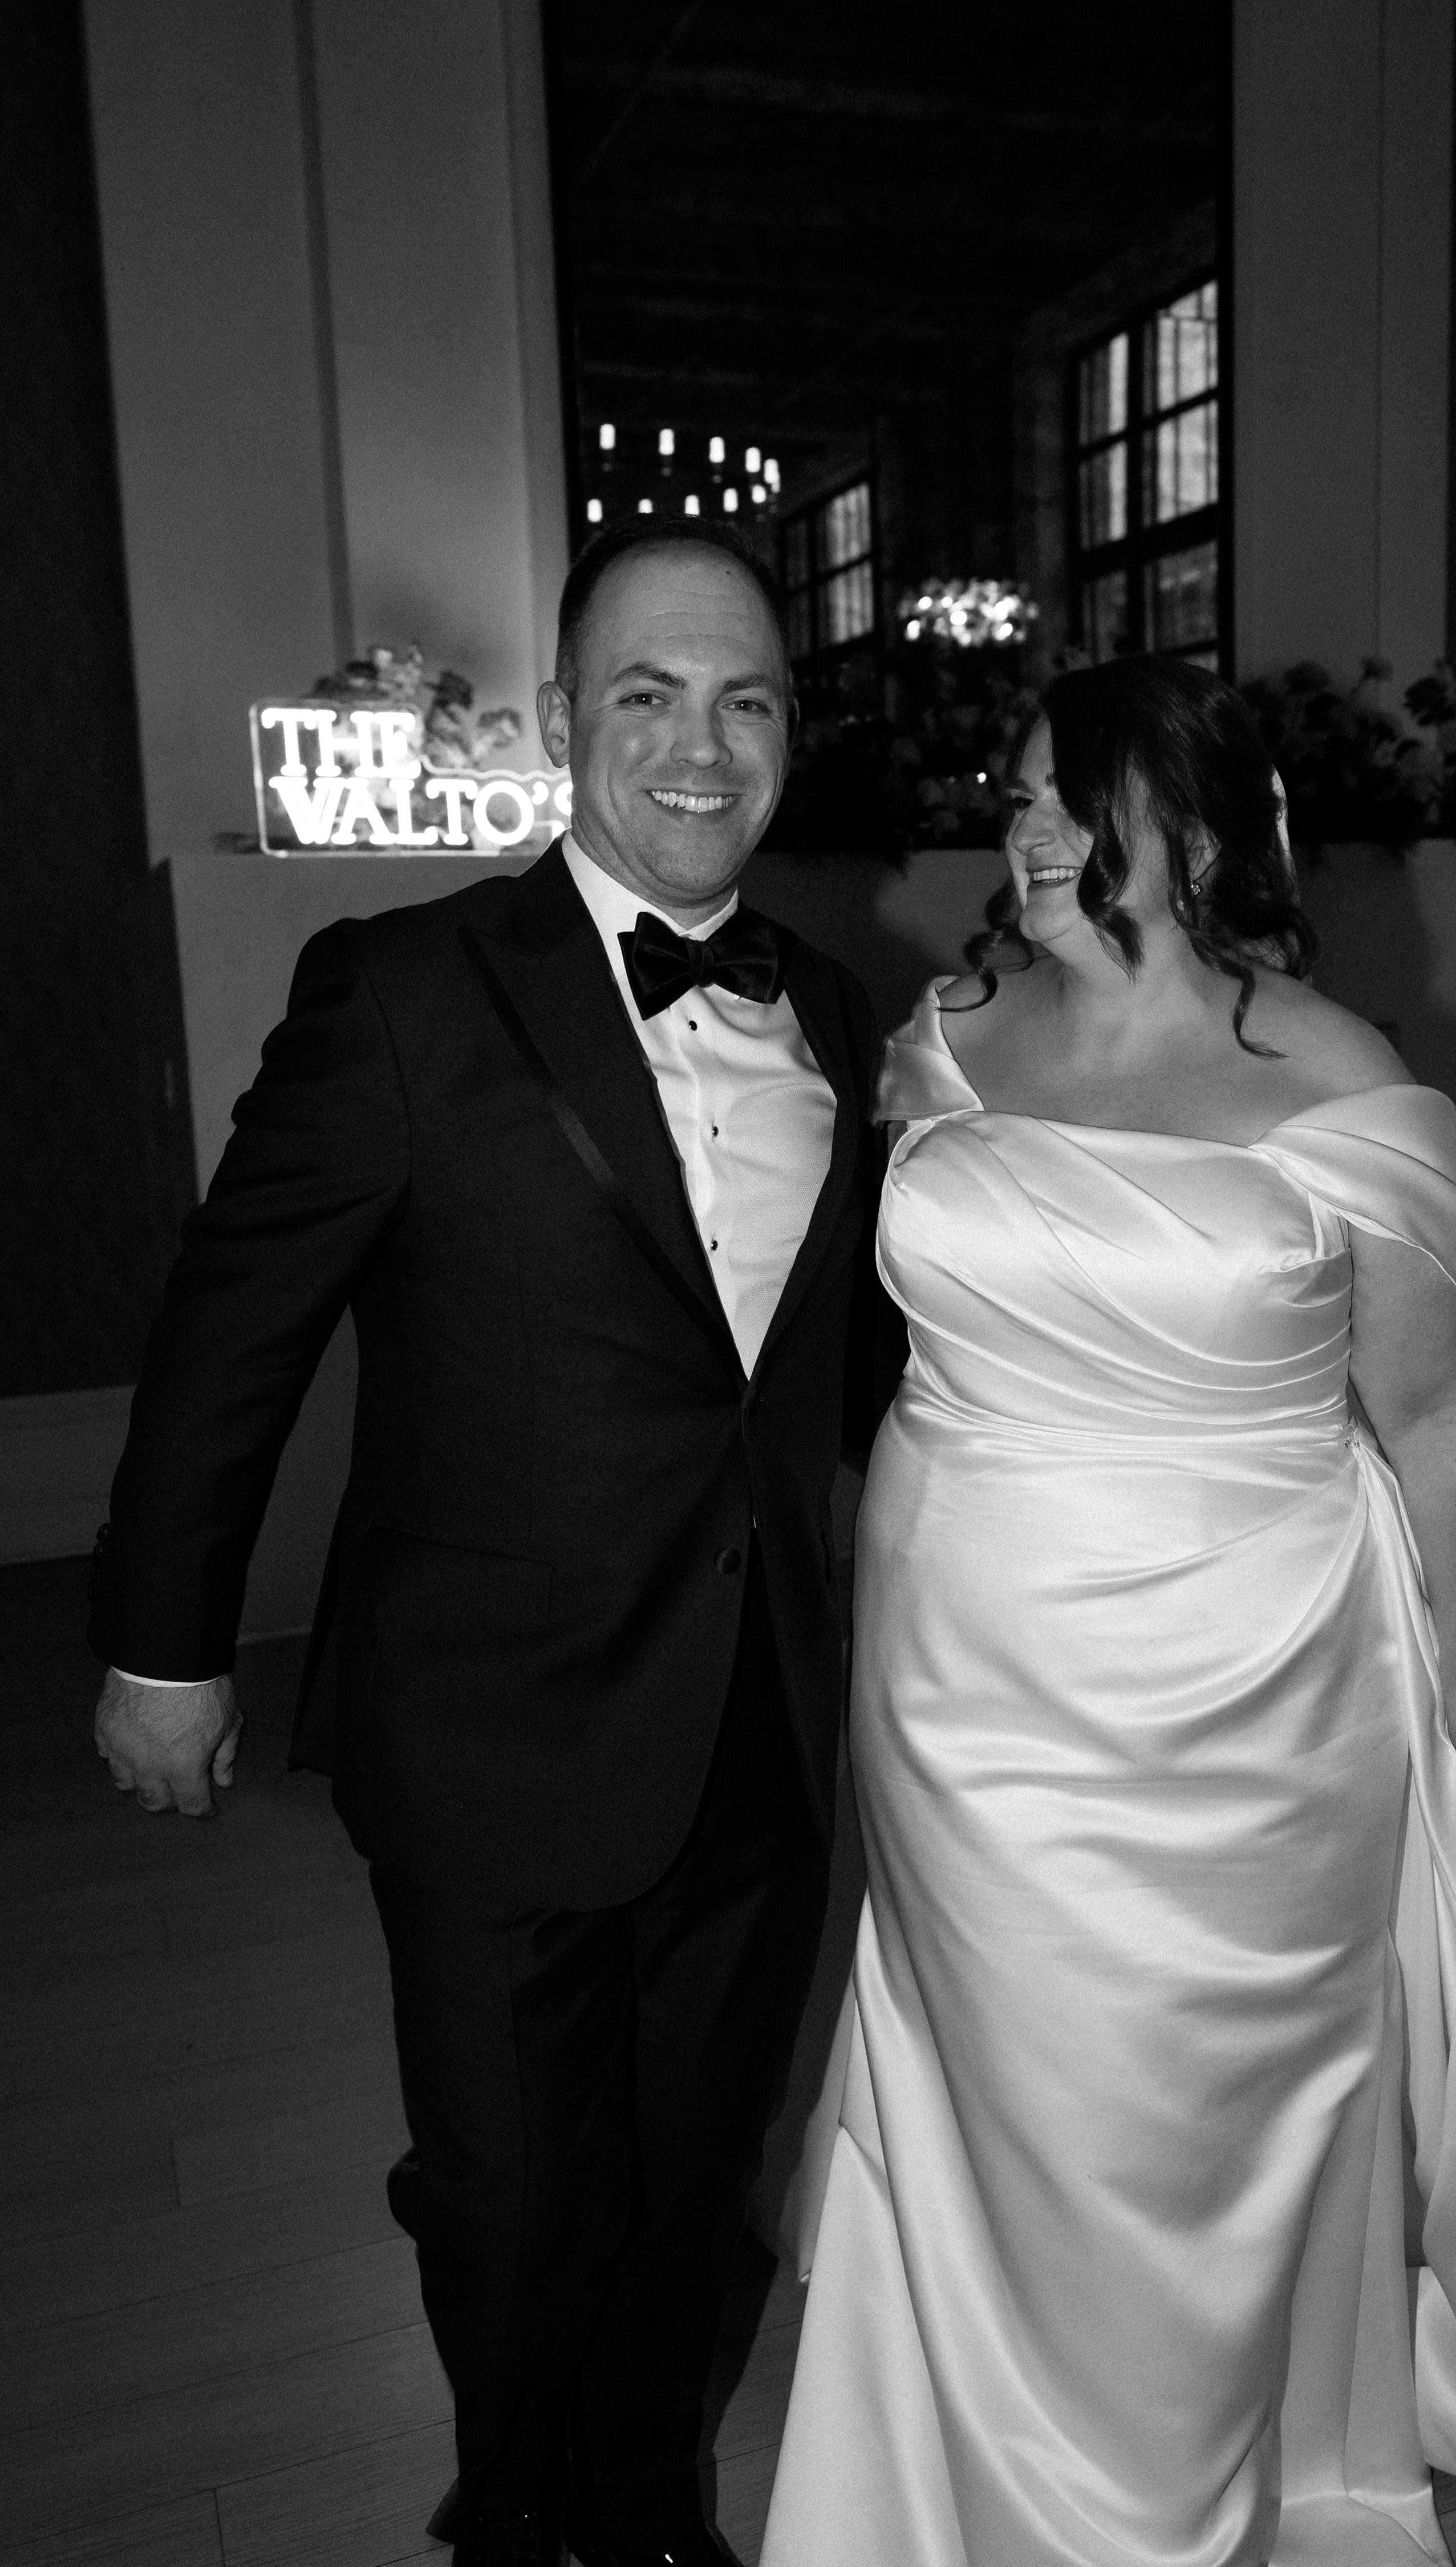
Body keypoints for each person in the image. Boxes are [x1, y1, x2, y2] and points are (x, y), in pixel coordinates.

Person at [760, 656, 1456, 2567]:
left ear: (1191, 834)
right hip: (954, 1660)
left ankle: (1176, 2465)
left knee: (1201, 2080)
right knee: (997, 2060)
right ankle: (972, 2459)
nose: (1025, 826)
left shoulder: (1339, 1079)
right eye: (1017, 793)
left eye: (1071, 795)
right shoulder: (947, 1035)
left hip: (1251, 1673)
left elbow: (1434, 1409)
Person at [89, 517, 896, 2567]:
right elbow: (230, 1334)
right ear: (557, 721)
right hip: (491, 1738)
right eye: (649, 693)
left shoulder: (838, 1009)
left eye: (746, 699)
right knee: (522, 2195)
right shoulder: (403, 992)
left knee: (697, 2169)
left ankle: (645, 2505)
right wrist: (167, 1644)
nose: (701, 746)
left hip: (759, 1731)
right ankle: (515, 2516)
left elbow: (858, 1375)